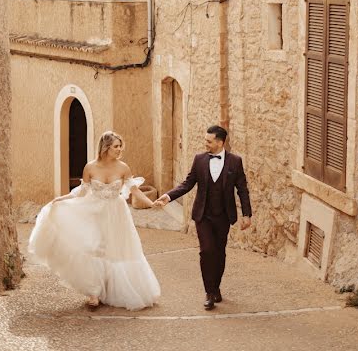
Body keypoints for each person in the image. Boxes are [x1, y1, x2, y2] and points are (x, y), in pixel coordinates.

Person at [28, 131, 161, 310]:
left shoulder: (123, 168)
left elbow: (135, 190)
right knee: (94, 248)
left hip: (116, 213)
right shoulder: (90, 168)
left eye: (120, 145)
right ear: (105, 147)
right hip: (94, 211)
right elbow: (82, 191)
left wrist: (152, 203)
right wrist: (61, 200)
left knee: (117, 250)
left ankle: (116, 290)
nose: (119, 149)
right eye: (116, 146)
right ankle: (94, 292)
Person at [154, 125, 251, 310]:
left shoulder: (235, 162)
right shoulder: (199, 160)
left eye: (209, 140)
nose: (205, 143)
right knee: (206, 251)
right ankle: (209, 292)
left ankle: (216, 287)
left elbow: (242, 189)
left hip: (223, 216)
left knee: (219, 252)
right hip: (203, 215)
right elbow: (188, 183)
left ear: (220, 142)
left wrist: (247, 214)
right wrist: (168, 196)